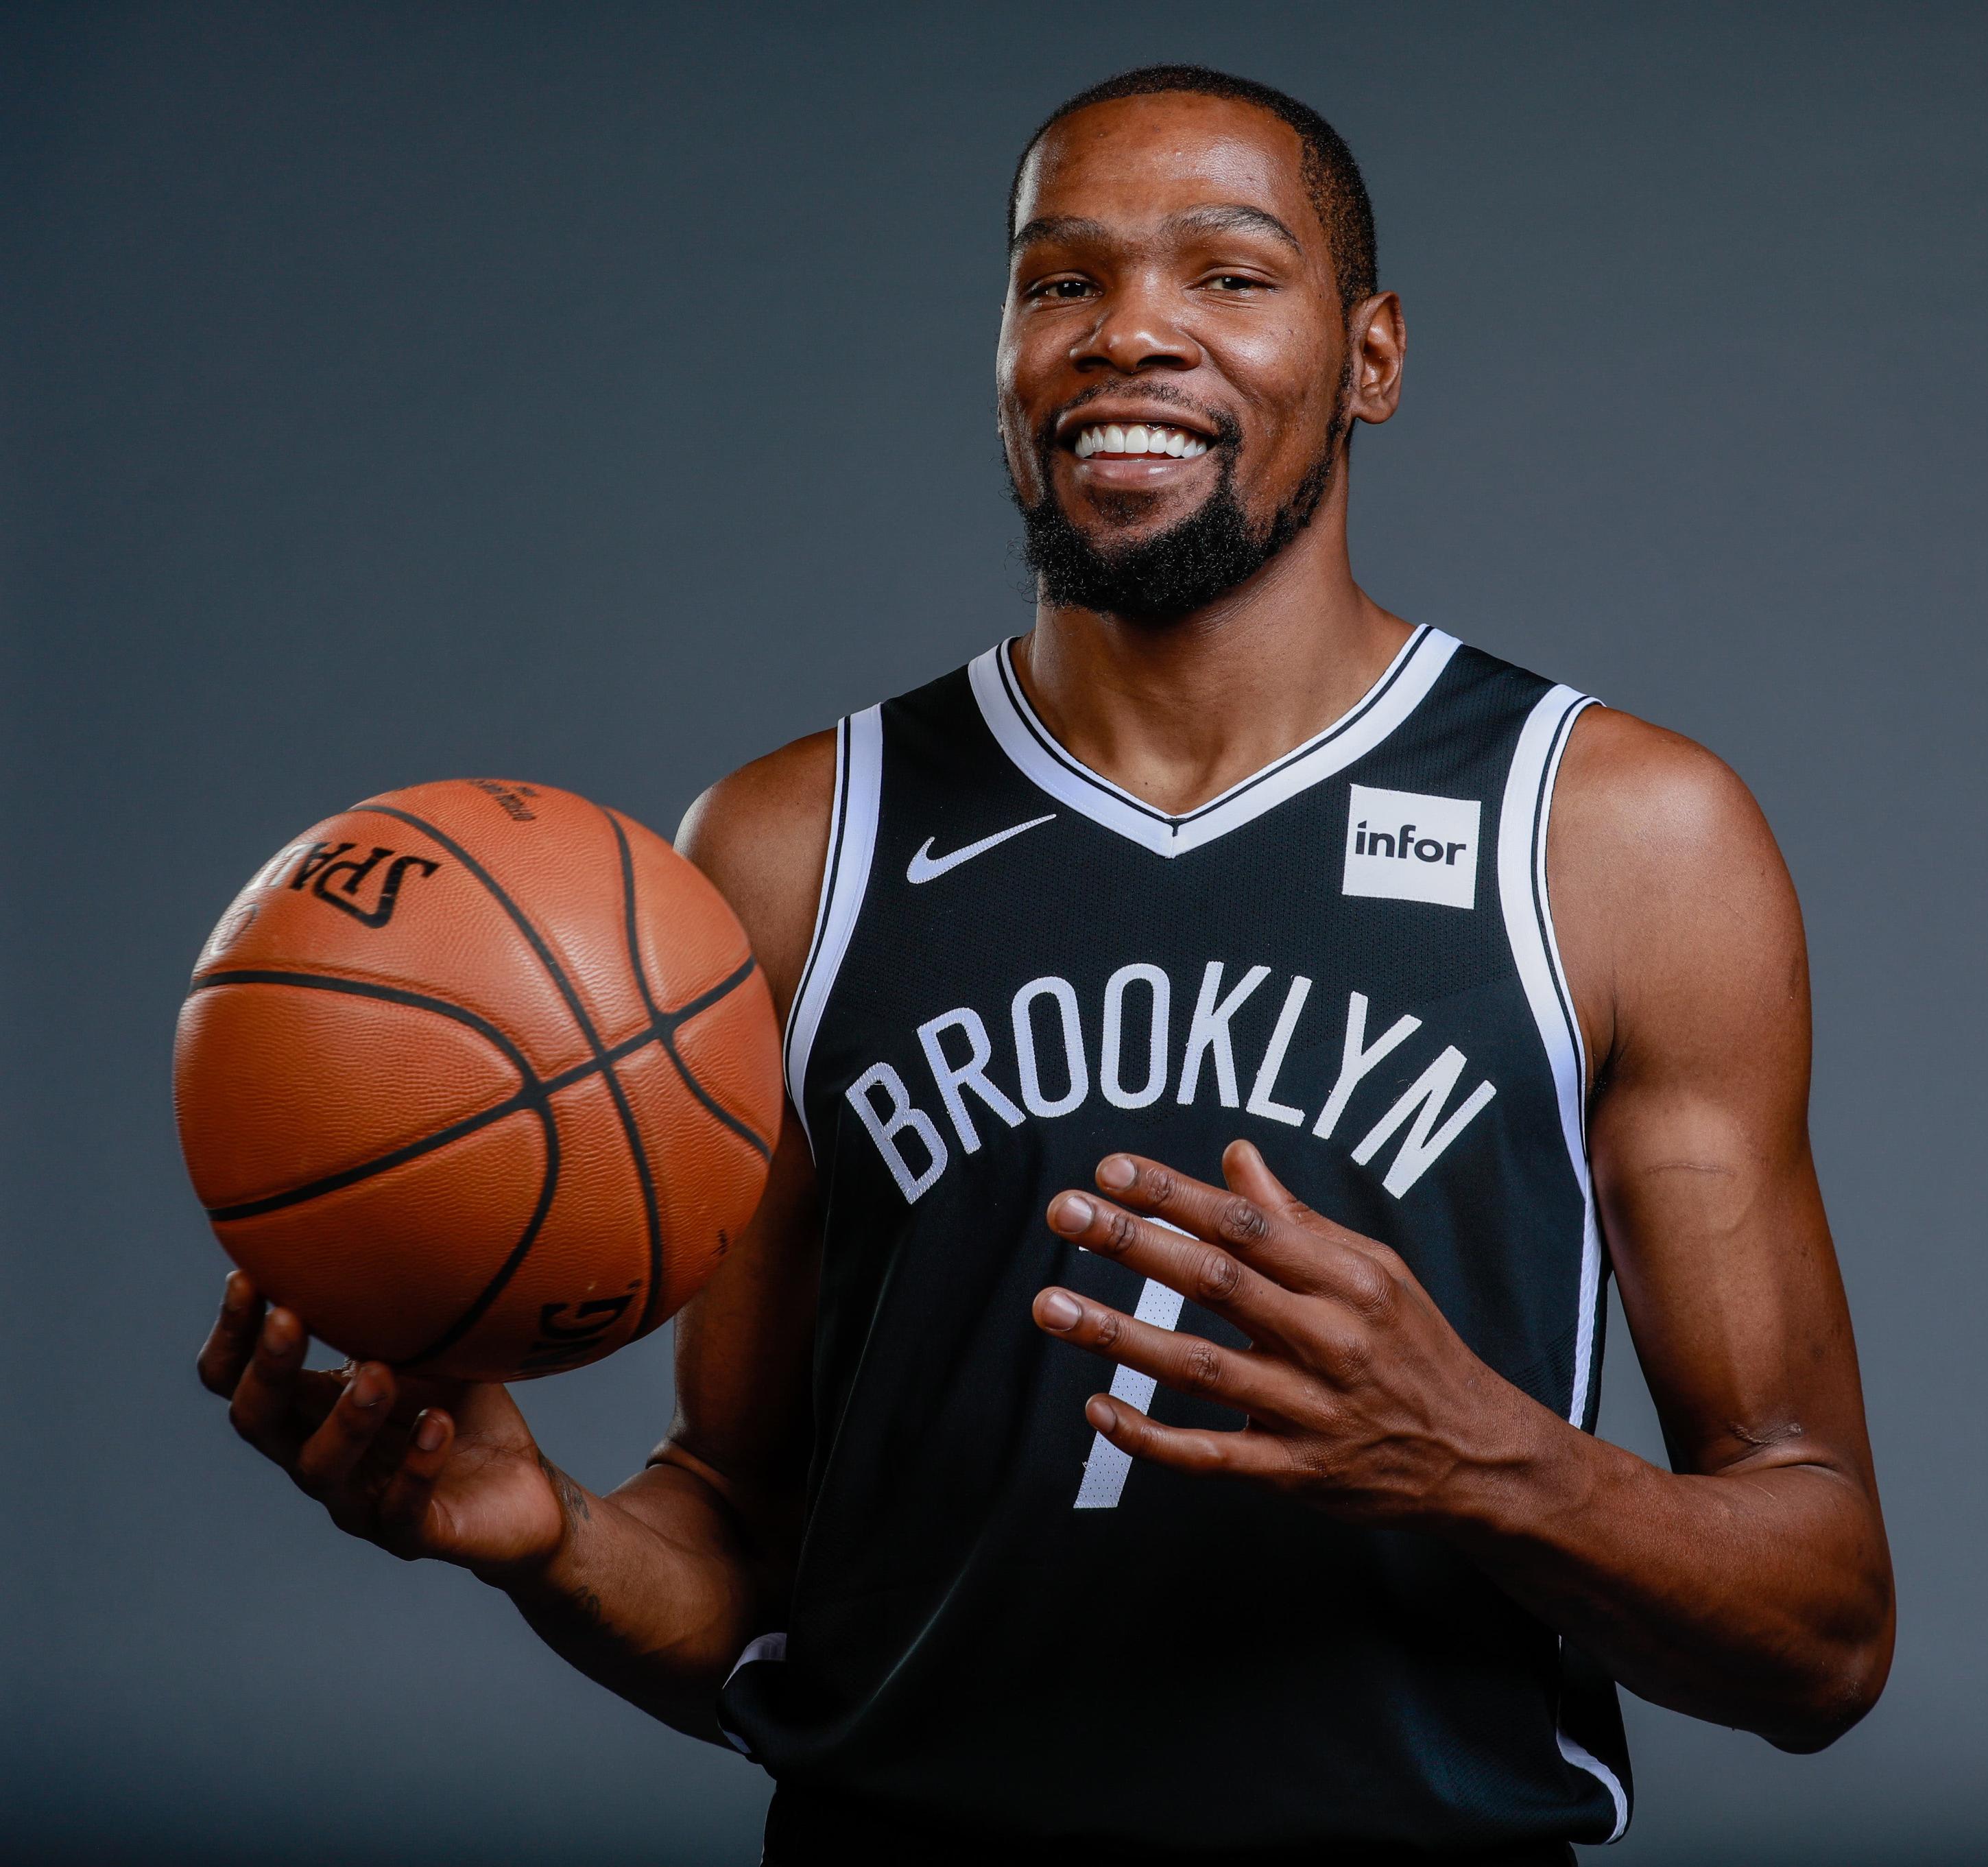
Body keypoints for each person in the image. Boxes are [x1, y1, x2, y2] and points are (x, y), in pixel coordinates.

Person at [197, 65, 1895, 1864]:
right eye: (1060, 281)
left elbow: (1828, 1626)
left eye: (1227, 277)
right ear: (1005, 357)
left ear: (1373, 355)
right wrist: (553, 1540)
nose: (1129, 332)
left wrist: (1491, 1459)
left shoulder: (1619, 836)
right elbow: (743, 1553)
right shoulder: (789, 847)